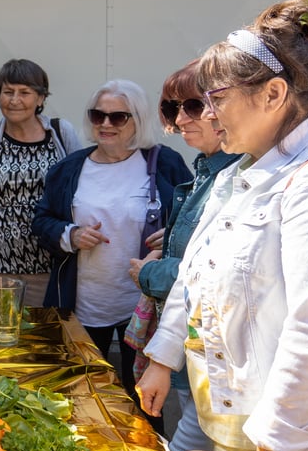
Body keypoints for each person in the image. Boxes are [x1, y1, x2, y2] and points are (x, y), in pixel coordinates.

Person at [136, 0, 308, 451]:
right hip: (238, 420)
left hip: (294, 442)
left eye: (215, 99)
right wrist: (164, 358)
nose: (206, 114)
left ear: (274, 94)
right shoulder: (240, 173)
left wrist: (282, 429)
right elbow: (194, 273)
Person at [31, 78, 192, 431]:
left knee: (145, 403)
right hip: (84, 302)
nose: (105, 124)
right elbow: (41, 221)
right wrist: (70, 234)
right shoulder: (70, 168)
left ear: (137, 120)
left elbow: (196, 218)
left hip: (145, 307)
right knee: (83, 397)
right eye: (98, 115)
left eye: (118, 117)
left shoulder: (164, 163)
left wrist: (174, 237)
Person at [127, 61, 240, 451]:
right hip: (190, 346)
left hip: (217, 353)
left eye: (192, 105)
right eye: (172, 108)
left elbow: (206, 271)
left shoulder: (237, 175)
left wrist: (150, 272)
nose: (181, 118)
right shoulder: (207, 172)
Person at [0, 59, 83, 306]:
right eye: (8, 92)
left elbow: (82, 190)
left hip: (50, 267)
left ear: (40, 99)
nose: (14, 100)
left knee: (46, 340)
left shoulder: (60, 133)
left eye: (24, 92)